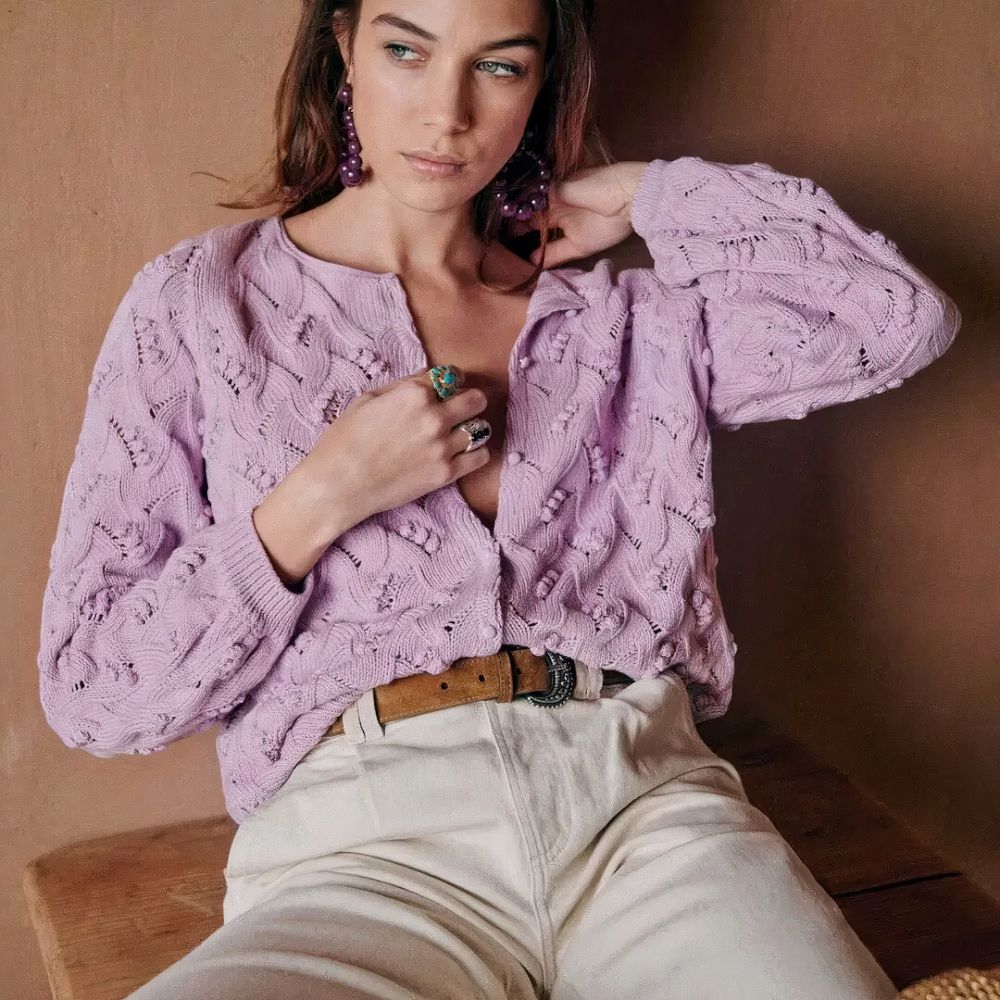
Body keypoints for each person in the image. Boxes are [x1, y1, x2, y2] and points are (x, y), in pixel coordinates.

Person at [38, 1, 961, 997]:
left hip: (646, 813)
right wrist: (319, 498)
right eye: (406, 49)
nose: (447, 113)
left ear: (543, 82)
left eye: (500, 66)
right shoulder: (202, 304)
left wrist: (646, 195)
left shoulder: (623, 324)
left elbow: (895, 316)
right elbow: (95, 689)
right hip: (364, 849)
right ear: (342, 46)